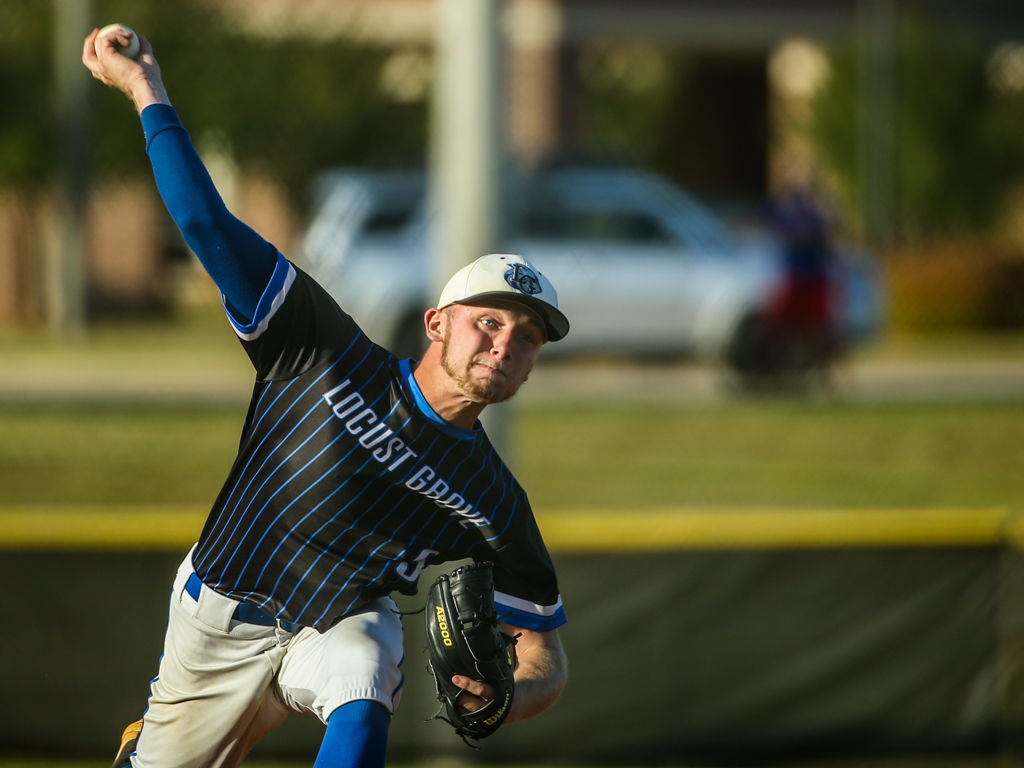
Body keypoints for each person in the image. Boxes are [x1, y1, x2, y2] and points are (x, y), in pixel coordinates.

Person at [82, 26, 569, 768]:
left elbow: (546, 653)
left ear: (533, 365)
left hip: (337, 621)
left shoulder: (492, 499)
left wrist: (512, 694)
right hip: (219, 615)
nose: (506, 343)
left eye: (528, 336)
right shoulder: (323, 352)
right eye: (489, 321)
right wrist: (147, 89)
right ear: (437, 323)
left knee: (368, 671)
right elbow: (206, 226)